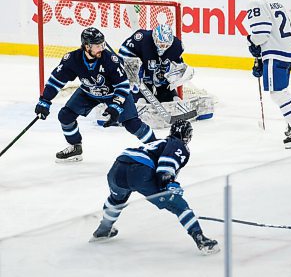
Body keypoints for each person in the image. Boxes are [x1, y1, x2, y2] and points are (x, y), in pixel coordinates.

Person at [90, 119, 220, 255]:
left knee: (116, 200)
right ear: (187, 135)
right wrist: (168, 182)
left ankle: (103, 229)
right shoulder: (178, 144)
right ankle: (201, 239)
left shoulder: (157, 143)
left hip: (117, 168)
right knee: (178, 205)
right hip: (139, 171)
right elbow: (168, 161)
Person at [34, 27, 157, 162]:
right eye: (98, 45)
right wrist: (44, 100)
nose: (102, 48)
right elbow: (55, 81)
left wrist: (116, 106)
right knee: (65, 116)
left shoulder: (111, 59)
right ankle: (75, 147)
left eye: (102, 44)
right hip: (89, 92)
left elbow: (122, 86)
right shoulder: (72, 59)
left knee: (131, 124)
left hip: (113, 94)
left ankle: (156, 147)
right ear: (87, 47)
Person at [242, 0, 291, 149]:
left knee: (277, 93)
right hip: (286, 51)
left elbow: (261, 34)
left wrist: (252, 42)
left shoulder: (255, 3)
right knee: (281, 91)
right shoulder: (274, 2)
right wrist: (260, 57)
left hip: (276, 53)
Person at [118, 23, 194, 103]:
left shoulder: (176, 46)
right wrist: (132, 75)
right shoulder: (142, 38)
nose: (163, 47)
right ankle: (136, 93)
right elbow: (123, 53)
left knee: (175, 70)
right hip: (139, 71)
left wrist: (169, 76)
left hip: (155, 71)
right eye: (160, 44)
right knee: (134, 67)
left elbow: (178, 65)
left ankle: (166, 93)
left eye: (166, 45)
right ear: (154, 37)